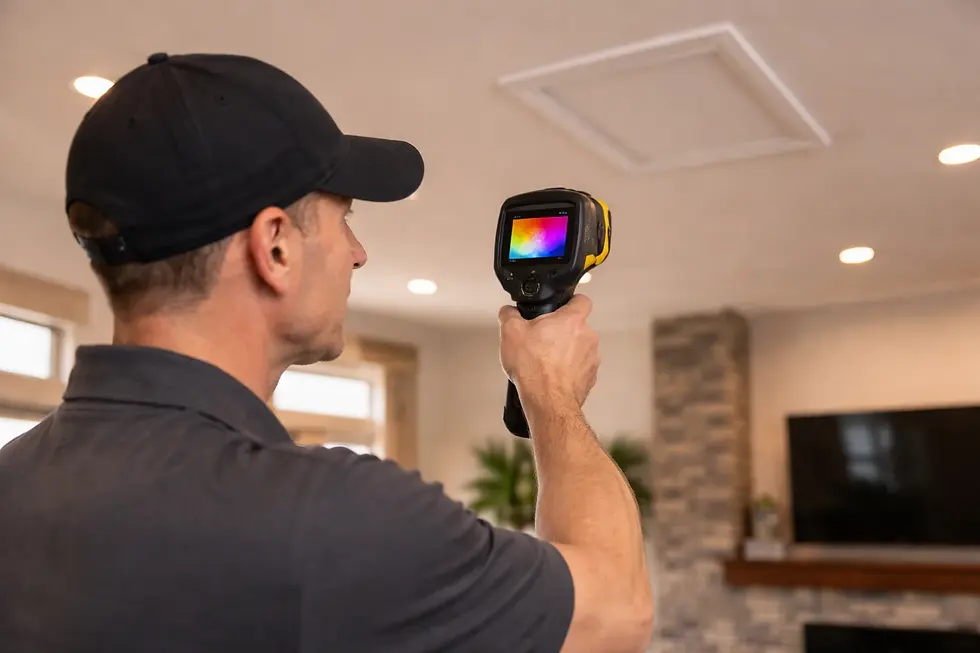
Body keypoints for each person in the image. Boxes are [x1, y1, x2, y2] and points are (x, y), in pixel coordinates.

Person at [0, 52, 652, 652]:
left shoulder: (13, 482)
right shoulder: (338, 517)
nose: (359, 252)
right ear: (275, 246)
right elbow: (619, 610)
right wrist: (551, 391)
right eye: (344, 217)